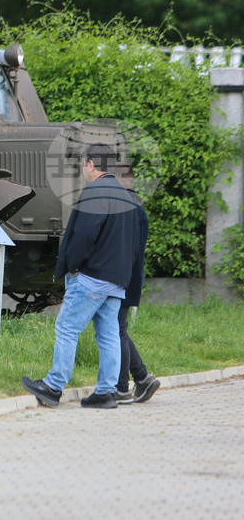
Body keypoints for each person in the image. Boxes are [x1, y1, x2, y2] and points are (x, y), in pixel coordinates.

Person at [21, 142, 139, 409]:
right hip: (116, 279)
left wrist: (73, 265)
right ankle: (106, 392)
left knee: (67, 327)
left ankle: (53, 386)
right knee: (108, 335)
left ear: (91, 165)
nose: (82, 170)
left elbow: (84, 236)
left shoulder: (94, 191)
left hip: (91, 277)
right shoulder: (125, 195)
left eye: (83, 165)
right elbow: (131, 243)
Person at [115, 166, 161, 404]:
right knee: (118, 329)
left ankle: (123, 387)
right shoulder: (138, 207)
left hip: (120, 278)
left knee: (117, 331)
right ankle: (142, 378)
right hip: (131, 277)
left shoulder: (124, 207)